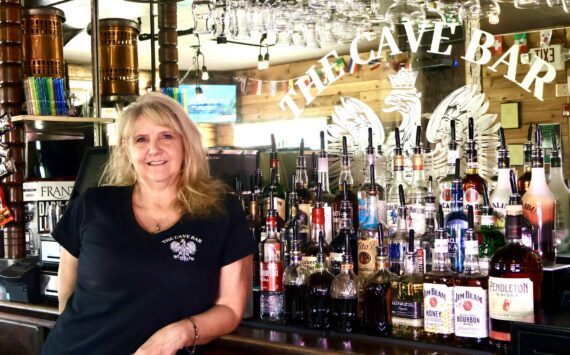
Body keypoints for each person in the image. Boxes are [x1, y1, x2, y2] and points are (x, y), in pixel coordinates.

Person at [42, 92, 256, 355]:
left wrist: (179, 333)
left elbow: (231, 309)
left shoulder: (222, 211)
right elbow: (67, 294)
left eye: (166, 136)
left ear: (186, 143)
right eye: (141, 139)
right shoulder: (93, 205)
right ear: (126, 149)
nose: (154, 149)